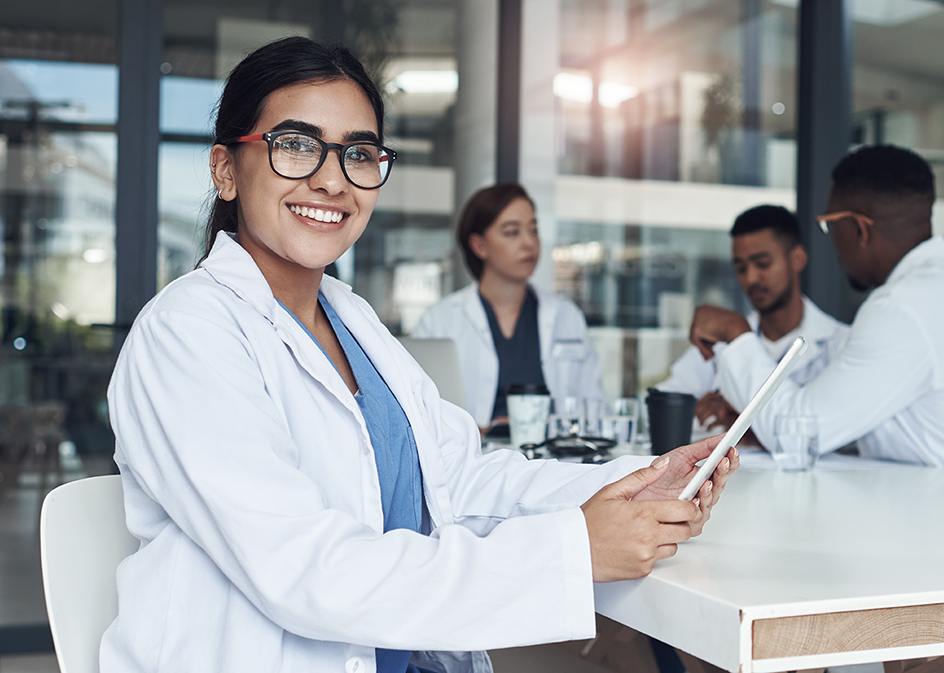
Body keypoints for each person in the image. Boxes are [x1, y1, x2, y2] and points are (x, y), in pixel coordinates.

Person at [102, 37, 737, 673]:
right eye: (294, 145)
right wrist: (574, 550)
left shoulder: (352, 320)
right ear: (224, 169)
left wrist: (635, 483)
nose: (331, 178)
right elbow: (305, 571)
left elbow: (460, 480)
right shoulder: (187, 333)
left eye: (358, 152)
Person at [689, 145, 944, 480]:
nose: (832, 242)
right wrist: (756, 429)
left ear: (859, 229)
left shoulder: (903, 307)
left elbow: (795, 431)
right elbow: (895, 424)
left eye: (831, 226)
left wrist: (737, 334)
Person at [413, 183, 604, 430]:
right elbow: (418, 411)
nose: (529, 243)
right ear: (479, 245)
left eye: (533, 230)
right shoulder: (439, 321)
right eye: (512, 232)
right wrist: (475, 432)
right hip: (475, 460)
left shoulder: (566, 316)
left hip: (554, 461)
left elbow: (596, 408)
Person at [655, 205, 848, 431]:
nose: (751, 278)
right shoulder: (719, 345)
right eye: (740, 268)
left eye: (762, 264)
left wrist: (746, 421)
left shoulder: (841, 344)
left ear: (797, 258)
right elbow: (661, 407)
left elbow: (842, 433)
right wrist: (710, 412)